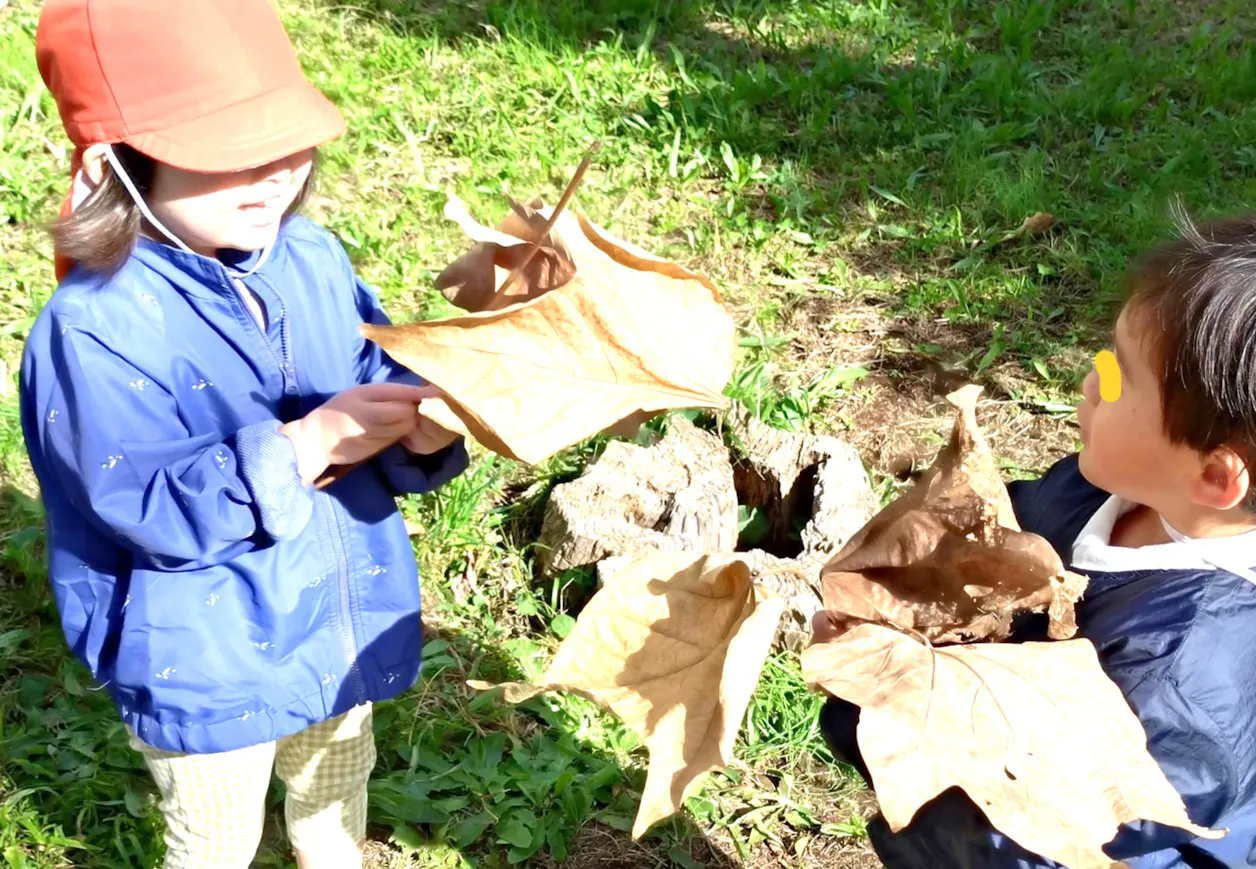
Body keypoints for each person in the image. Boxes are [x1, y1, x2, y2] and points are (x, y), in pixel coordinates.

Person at [21, 1, 468, 867]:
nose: (272, 176)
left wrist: (419, 426)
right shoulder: (95, 329)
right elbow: (138, 501)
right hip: (205, 652)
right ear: (126, 164)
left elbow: (367, 373)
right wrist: (305, 447)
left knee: (334, 794)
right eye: (231, 157)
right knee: (216, 838)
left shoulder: (311, 258)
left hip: (334, 620)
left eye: (285, 142)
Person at [818, 212, 1256, 868]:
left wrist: (881, 699)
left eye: (1120, 380)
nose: (1089, 382)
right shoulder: (1108, 492)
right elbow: (1006, 542)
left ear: (1214, 475)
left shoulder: (1181, 685)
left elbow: (1016, 840)